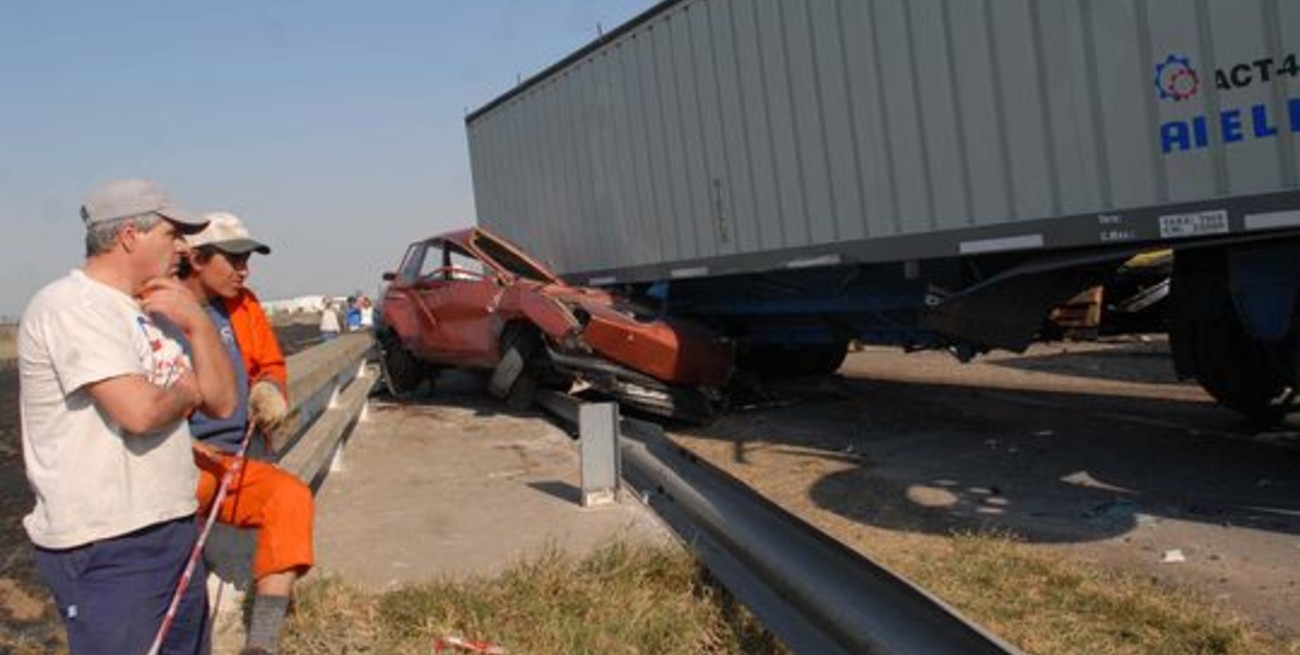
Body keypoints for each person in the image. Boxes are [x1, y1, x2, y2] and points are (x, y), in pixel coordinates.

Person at [18, 179, 236, 655]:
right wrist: (185, 389)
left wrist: (197, 324)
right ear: (129, 236)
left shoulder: (158, 309)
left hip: (172, 526)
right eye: (172, 234)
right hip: (108, 543)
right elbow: (140, 412)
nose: (183, 247)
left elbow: (222, 402)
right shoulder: (72, 306)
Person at [173, 211, 313, 655]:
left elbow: (270, 362)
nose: (243, 270)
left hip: (238, 457)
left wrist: (270, 388)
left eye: (247, 259)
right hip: (185, 457)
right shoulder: (157, 309)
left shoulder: (244, 304)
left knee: (291, 498)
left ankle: (263, 641)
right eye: (232, 260)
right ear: (195, 259)